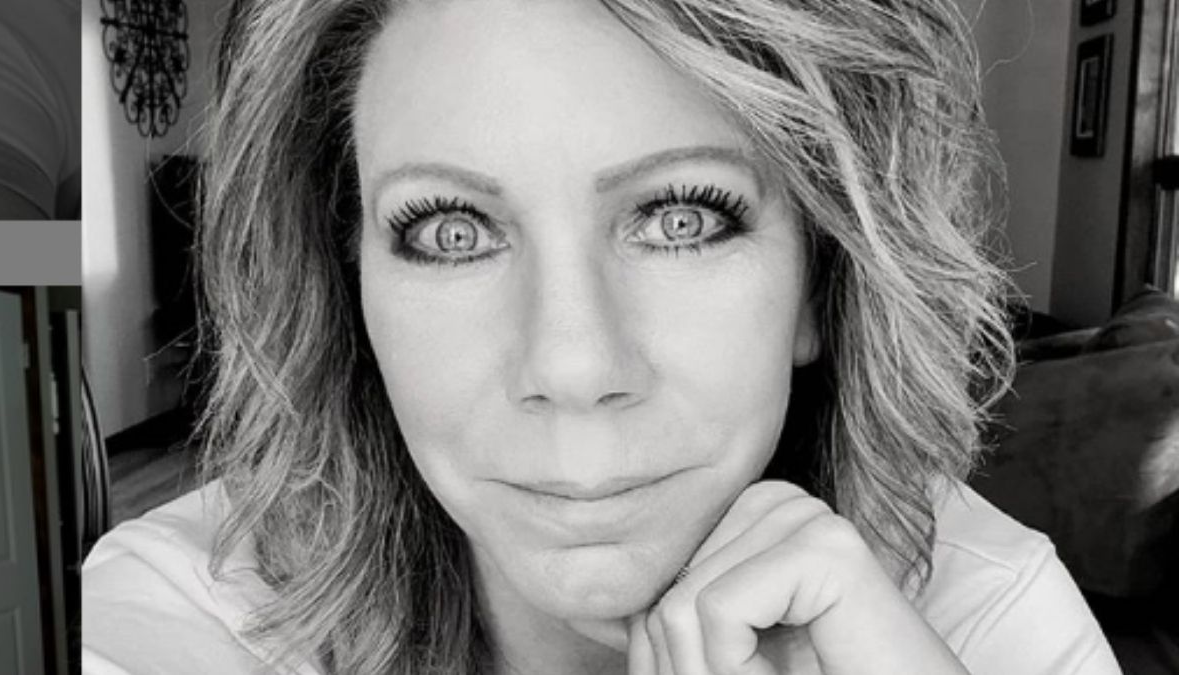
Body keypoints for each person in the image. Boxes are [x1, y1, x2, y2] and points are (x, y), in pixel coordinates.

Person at [82, 0, 1123, 673]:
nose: (573, 365)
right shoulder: (175, 620)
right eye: (451, 232)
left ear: (820, 281)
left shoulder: (985, 620)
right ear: (348, 286)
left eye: (682, 218)